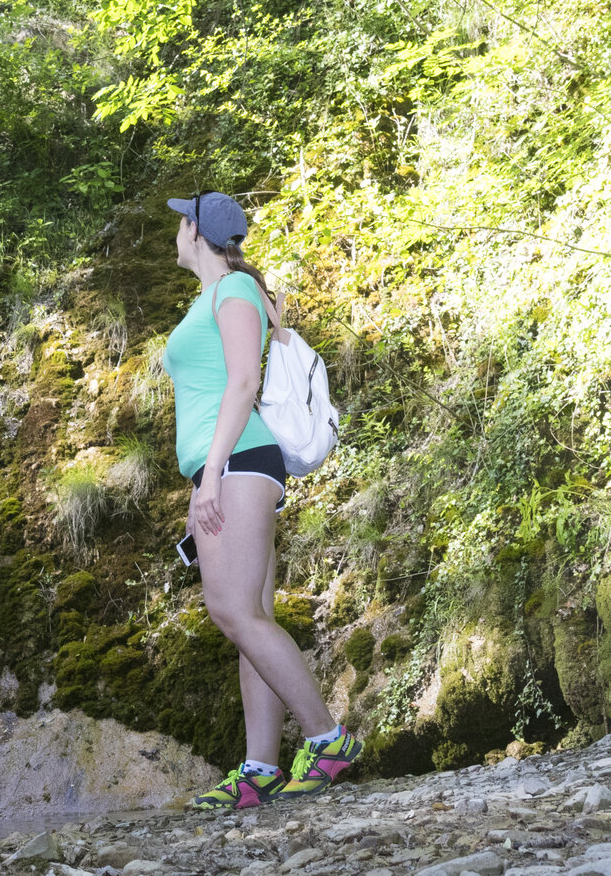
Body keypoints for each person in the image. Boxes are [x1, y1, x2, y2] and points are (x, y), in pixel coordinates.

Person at [161, 191, 361, 809]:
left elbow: (246, 379)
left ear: (196, 231)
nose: (175, 231)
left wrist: (213, 474)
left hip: (239, 462)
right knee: (251, 616)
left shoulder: (234, 293)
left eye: (180, 221)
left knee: (231, 611)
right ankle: (260, 769)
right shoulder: (216, 296)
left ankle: (328, 739)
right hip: (230, 464)